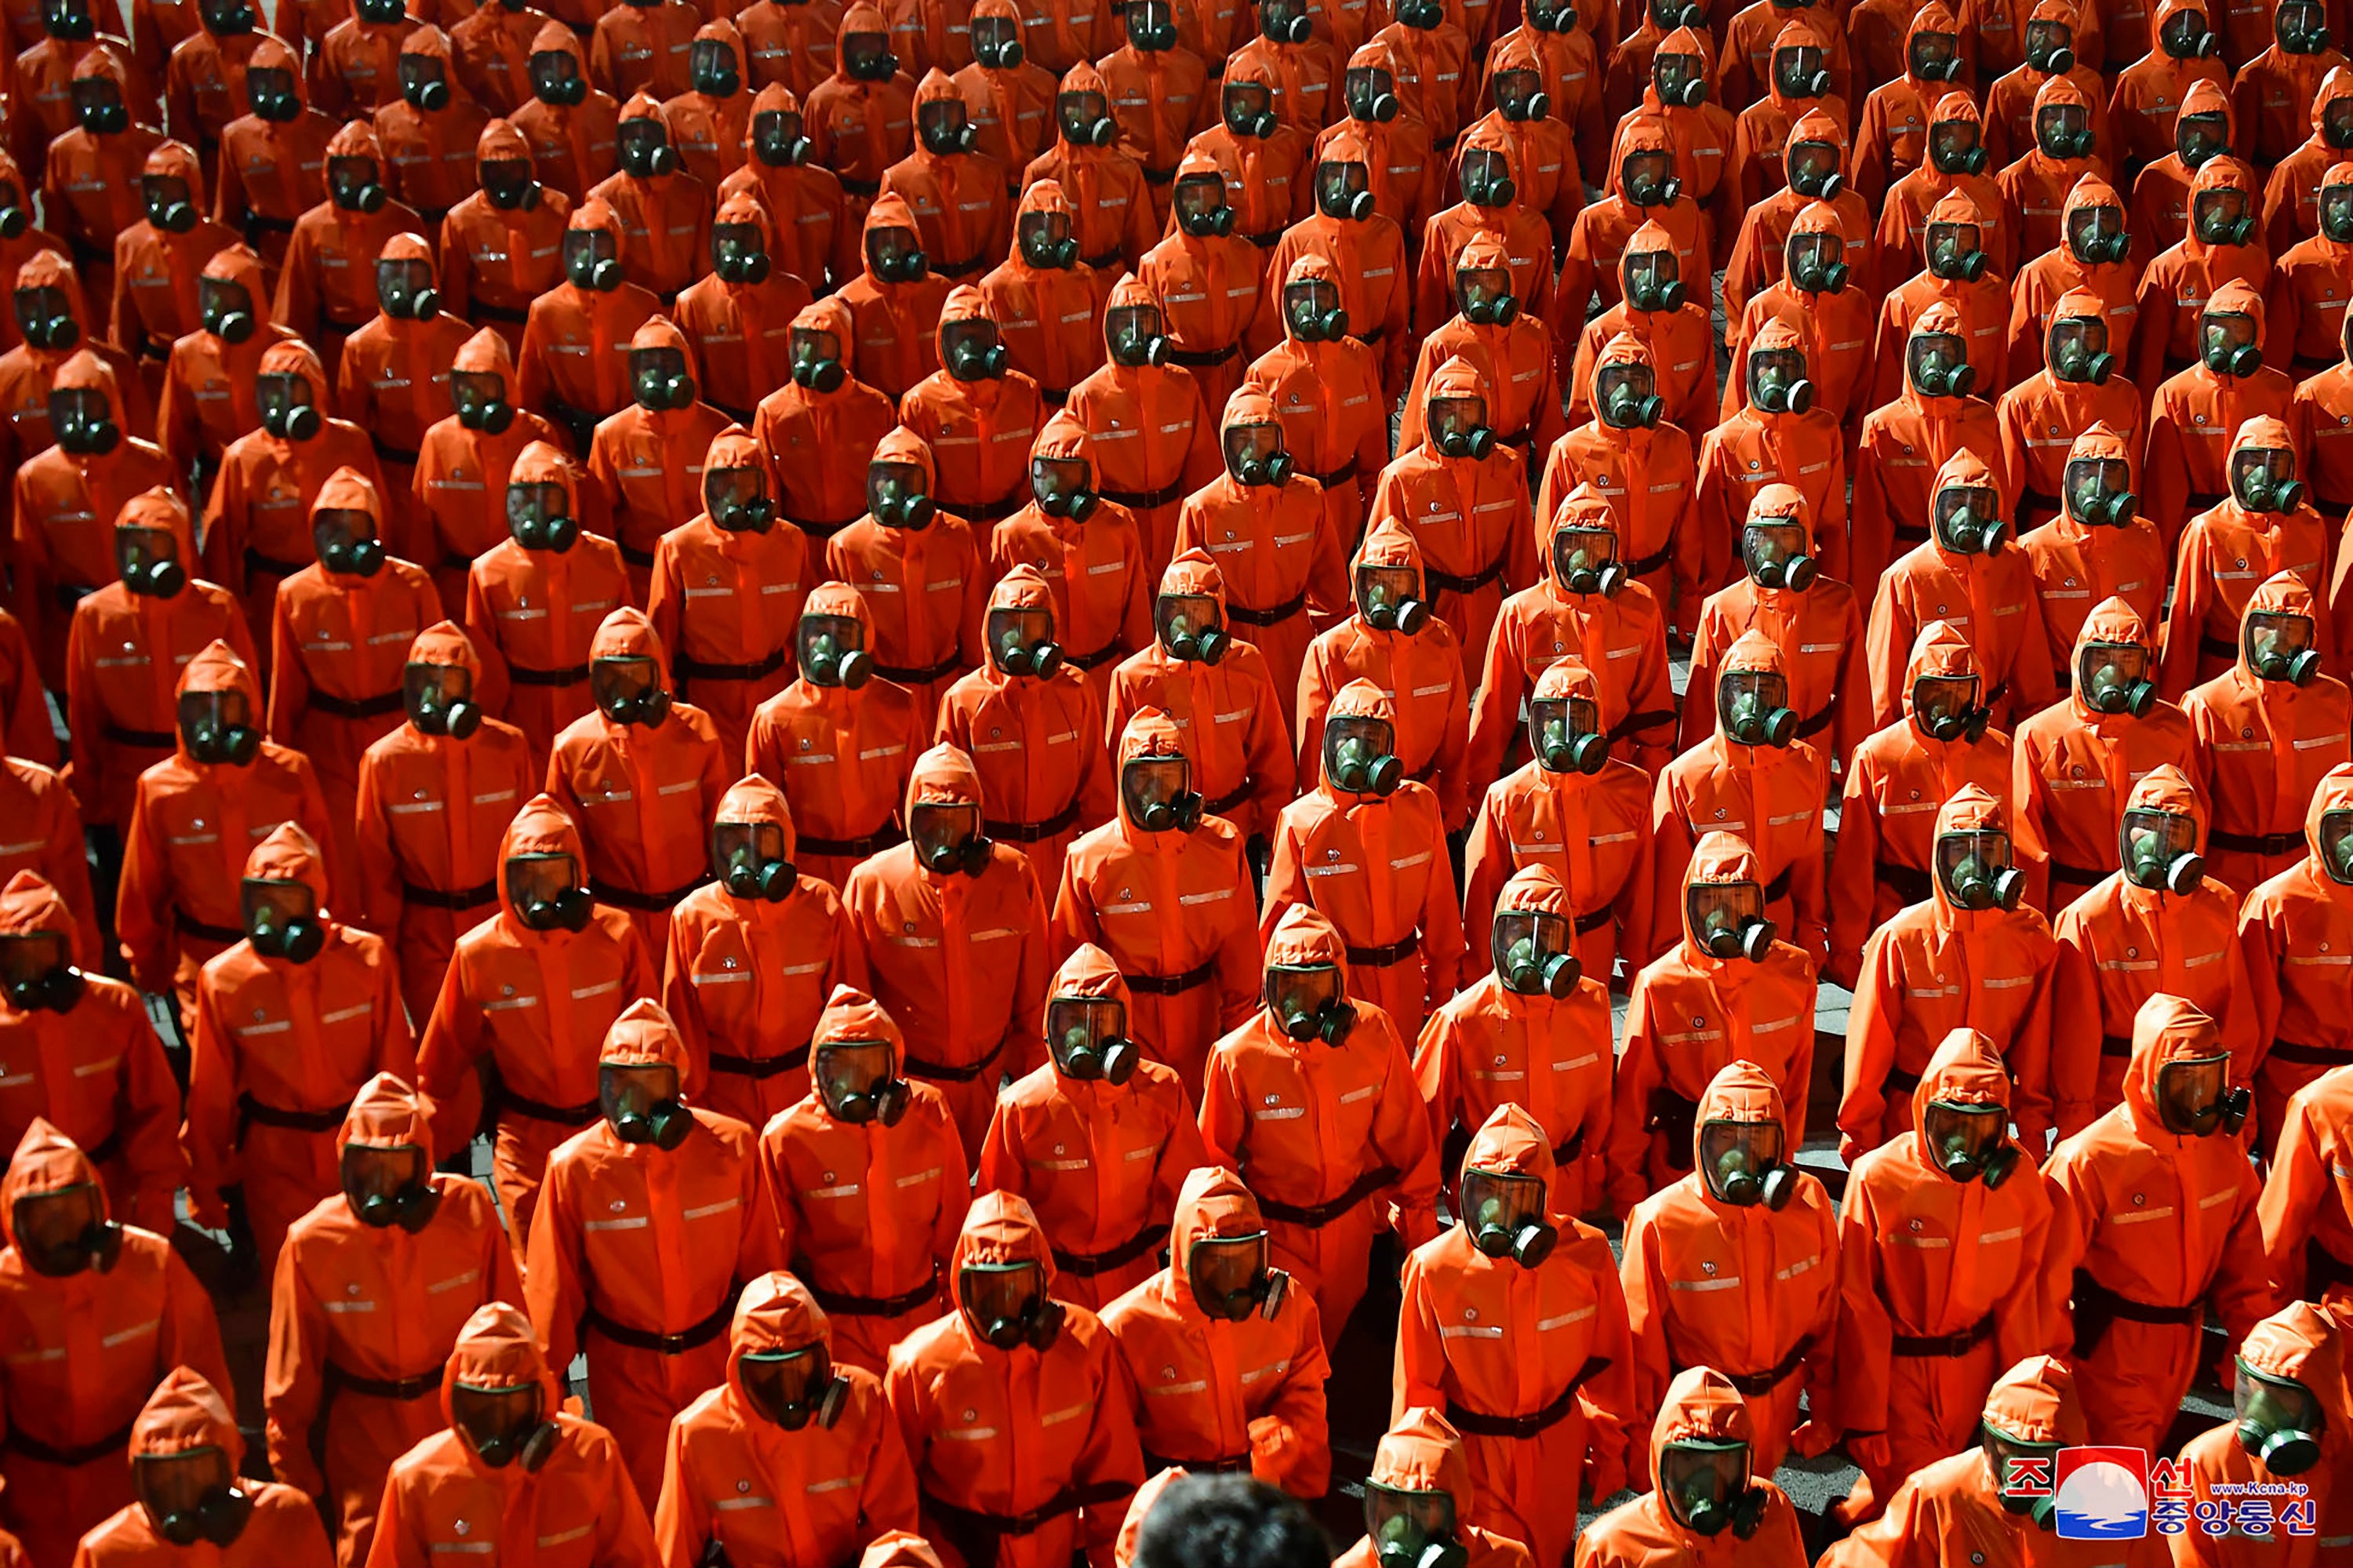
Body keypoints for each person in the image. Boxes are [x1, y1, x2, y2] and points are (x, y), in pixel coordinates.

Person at [525, 998, 783, 1506]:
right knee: (647, 1503)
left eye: (651, 1090)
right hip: (627, 1371)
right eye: (622, 1091)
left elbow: (764, 1271)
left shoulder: (730, 1147)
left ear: (679, 1089)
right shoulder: (574, 1167)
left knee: (729, 1495)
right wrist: (543, 1396)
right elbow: (552, 1291)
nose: (635, 1108)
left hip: (716, 1358)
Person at [265, 1073, 523, 1568]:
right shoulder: (311, 1243)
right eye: (369, 1170)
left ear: (426, 1166)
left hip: (460, 1422)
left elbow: (512, 1323)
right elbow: (291, 1372)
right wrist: (295, 1474)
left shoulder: (468, 1210)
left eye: (399, 1168)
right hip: (365, 1434)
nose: (383, 1188)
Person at [1833, 1028, 2066, 1522]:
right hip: (1903, 1374)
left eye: (1982, 1129)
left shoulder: (2019, 1181)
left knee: (1974, 1496)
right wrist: (1866, 1415)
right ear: (1924, 1113)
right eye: (1950, 1124)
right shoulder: (1877, 1177)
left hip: (1981, 1368)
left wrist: (2023, 1392)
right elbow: (1858, 1305)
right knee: (1918, 1505)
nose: (1964, 1145)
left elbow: (2029, 1297)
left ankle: (1846, 1522)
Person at [1394, 1104, 1635, 1568]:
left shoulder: (1586, 1255)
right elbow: (1417, 1394)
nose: (1499, 1213)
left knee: (1549, 1556)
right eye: (1486, 1194)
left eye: (1517, 1197)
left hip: (1556, 1450)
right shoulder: (1433, 1268)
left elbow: (1609, 1362)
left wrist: (1609, 1445)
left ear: (1545, 1197)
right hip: (1473, 1453)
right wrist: (1421, 1485)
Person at [415, 792, 658, 1242]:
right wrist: (440, 1147)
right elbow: (441, 1063)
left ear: (579, 876)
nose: (543, 897)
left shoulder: (616, 936)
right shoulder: (479, 953)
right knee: (536, 1272)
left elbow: (652, 1042)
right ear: (507, 880)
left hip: (608, 1136)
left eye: (555, 879)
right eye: (529, 881)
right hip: (525, 1144)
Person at [1199, 903, 1440, 1350]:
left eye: (1317, 991)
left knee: (1347, 1369)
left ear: (1342, 986)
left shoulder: (1373, 1034)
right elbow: (1214, 1169)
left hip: (1352, 1236)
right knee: (1286, 1365)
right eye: (1289, 990)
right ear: (1269, 986)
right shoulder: (1236, 1057)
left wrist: (1420, 1242)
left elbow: (1409, 1143)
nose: (1303, 1008)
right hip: (1277, 1240)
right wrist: (1239, 1256)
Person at [184, 820, 413, 1281]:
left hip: (360, 1149)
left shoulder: (366, 959)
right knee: (292, 1278)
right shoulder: (225, 979)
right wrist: (203, 1182)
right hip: (275, 1158)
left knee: (372, 1278)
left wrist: (404, 1154)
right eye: (264, 904)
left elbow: (396, 1071)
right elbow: (210, 1091)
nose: (276, 919)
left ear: (317, 899)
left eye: (291, 904)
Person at [2045, 992, 2268, 1460]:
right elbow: (2043, 1280)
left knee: (2140, 1466)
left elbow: (2244, 1262)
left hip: (2182, 1343)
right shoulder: (2090, 1158)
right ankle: (2105, 1533)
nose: (2199, 1100)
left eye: (2210, 1083)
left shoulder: (2222, 1152)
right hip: (2111, 1352)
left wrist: (2254, 1348)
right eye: (2185, 1084)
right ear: (2148, 1075)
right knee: (2115, 1473)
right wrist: (2050, 1371)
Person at [0, 1119, 230, 1568]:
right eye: (43, 1221)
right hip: (35, 1500)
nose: (62, 1233)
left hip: (138, 1487)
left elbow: (202, 1381)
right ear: (14, 1223)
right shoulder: (4, 1290)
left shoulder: (150, 1265)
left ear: (97, 1204)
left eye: (71, 1211)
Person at [885, 1191, 1143, 1566]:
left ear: (1044, 1283)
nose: (1004, 1312)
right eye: (988, 1294)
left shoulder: (1085, 1345)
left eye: (1020, 1291)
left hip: (1054, 1553)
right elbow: (895, 1500)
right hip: (959, 1555)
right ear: (961, 1288)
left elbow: (1114, 1481)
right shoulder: (919, 1366)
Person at [1620, 1060, 1840, 1477]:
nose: (1740, 1159)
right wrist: (1641, 1443)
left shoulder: (1808, 1204)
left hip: (1780, 1406)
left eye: (1757, 1143)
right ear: (1702, 1140)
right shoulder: (1659, 1221)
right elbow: (1639, 1349)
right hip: (1698, 1421)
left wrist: (1827, 1410)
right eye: (1726, 1140)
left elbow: (1827, 1323)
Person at [117, 637, 336, 1043]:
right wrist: (146, 962)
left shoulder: (291, 772)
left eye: (230, 709)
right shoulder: (161, 788)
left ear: (251, 710)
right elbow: (142, 882)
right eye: (201, 711)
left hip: (287, 955)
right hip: (201, 958)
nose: (215, 726)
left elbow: (326, 867)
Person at [841, 743, 1053, 1161]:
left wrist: (1030, 1090)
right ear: (909, 820)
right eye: (931, 824)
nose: (944, 840)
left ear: (979, 822)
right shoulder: (872, 885)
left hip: (993, 1087)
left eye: (958, 824)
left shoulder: (1013, 875)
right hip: (909, 1095)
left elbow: (1033, 1002)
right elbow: (855, 1007)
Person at [976, 944, 1212, 1309]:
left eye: (1102, 1024)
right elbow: (996, 1215)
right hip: (1054, 1288)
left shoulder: (1162, 1092)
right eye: (1071, 1024)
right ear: (1050, 1027)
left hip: (1138, 1281)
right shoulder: (1021, 1107)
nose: (1085, 1041)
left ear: (1125, 1027)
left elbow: (1191, 1196)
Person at [758, 983, 971, 1373]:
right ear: (817, 1069)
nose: (856, 1087)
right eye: (840, 1071)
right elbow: (773, 1265)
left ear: (895, 1066)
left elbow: (958, 1236)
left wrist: (954, 1327)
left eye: (871, 1069)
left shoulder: (929, 1114)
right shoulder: (786, 1137)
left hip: (922, 1324)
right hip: (836, 1334)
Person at [1841, 789, 2058, 1160]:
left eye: (1988, 852)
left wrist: (2034, 1137)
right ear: (1938, 857)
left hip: (1990, 1123)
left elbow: (2035, 1054)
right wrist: (1862, 1146)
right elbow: (1867, 1055)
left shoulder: (2031, 935)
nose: (1973, 865)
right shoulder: (1900, 938)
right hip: (1907, 1123)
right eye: (1959, 852)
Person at [653, 1270, 922, 1568]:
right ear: (739, 1372)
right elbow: (673, 1555)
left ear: (826, 1362)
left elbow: (895, 1531)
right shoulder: (696, 1433)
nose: (788, 1396)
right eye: (768, 1378)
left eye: (804, 1372)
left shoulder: (864, 1401)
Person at [1050, 712, 1259, 1093]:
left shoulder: (1223, 845)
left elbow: (1242, 955)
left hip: (1203, 1023)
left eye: (1168, 782)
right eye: (1143, 783)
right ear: (1123, 781)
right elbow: (1069, 968)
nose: (1156, 798)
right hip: (1128, 1031)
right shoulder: (1089, 860)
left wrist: (1243, 1042)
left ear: (1188, 781)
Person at [367, 1301, 663, 1568]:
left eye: (515, 1404)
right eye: (480, 1408)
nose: (498, 1424)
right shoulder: (416, 1480)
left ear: (542, 1399)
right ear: (453, 1402)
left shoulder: (592, 1454)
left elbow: (635, 1560)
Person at [2046, 766, 2256, 1140]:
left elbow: (2237, 1017)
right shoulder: (2088, 918)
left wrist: (2237, 1110)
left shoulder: (2220, 905)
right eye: (2147, 829)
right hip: (2117, 1103)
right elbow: (2074, 1045)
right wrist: (2078, 1130)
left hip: (2200, 1100)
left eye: (2174, 833)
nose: (2158, 846)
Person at [1610, 835, 1820, 1205]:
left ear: (1759, 903)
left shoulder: (1795, 971)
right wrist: (1628, 1189)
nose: (1724, 915)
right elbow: (1633, 1099)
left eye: (1739, 901)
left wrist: (1785, 1156)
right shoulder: (1660, 983)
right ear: (1689, 904)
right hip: (1680, 1167)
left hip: (1763, 1159)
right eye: (1709, 901)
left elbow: (1798, 1081)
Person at [63, 486, 257, 875]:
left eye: (157, 545)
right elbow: (83, 711)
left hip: (205, 770)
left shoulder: (217, 608)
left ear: (181, 547)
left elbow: (249, 700)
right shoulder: (95, 615)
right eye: (133, 546)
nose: (144, 557)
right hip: (125, 773)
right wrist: (89, 790)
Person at [1099, 1163, 1328, 1492]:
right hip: (1177, 1499)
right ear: (1184, 1255)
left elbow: (1306, 1391)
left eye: (1246, 1257)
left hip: (1264, 1488)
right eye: (1218, 1262)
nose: (1233, 1278)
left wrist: (1285, 1430)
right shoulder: (1125, 1328)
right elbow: (1114, 1447)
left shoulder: (1290, 1305)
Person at [1820, 1355, 2171, 1568]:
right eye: (2008, 1452)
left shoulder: (2123, 1498)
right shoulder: (1937, 1493)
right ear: (1986, 1441)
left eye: (2043, 1460)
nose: (2022, 1475)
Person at [1416, 866, 1621, 1219]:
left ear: (1568, 940)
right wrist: (1417, 1213)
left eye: (1548, 935)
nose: (1532, 948)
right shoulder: (1461, 1019)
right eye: (1519, 932)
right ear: (1499, 935)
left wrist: (1595, 1176)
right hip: (1488, 1198)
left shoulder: (1592, 1004)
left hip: (1566, 1188)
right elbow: (1425, 1125)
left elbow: (1601, 1106)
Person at [1263, 678, 1463, 1038]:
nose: (1356, 752)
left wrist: (1443, 986)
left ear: (1391, 745)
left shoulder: (1419, 807)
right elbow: (1280, 926)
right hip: (1334, 993)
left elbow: (1442, 908)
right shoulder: (1301, 821)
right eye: (1345, 739)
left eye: (1371, 740)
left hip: (1404, 980)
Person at [660, 773, 864, 1126]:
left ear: (786, 842)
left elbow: (849, 1008)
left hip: (805, 1093)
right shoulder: (692, 917)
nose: (747, 856)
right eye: (734, 843)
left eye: (762, 842)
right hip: (724, 1097)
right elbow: (682, 1026)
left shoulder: (822, 905)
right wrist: (696, 1110)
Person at [268, 467, 443, 868]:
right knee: (344, 857)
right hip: (328, 741)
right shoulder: (295, 594)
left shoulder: (413, 585)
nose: (343, 539)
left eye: (354, 526)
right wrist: (280, 759)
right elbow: (287, 682)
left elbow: (439, 671)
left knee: (409, 853)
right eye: (331, 528)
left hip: (400, 732)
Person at [1459, 657, 1655, 993]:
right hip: (1528, 949)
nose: (1564, 732)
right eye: (1551, 718)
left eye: (1577, 719)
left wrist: (1641, 963)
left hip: (1597, 944)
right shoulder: (1507, 798)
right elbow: (1480, 896)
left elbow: (1643, 887)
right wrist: (1479, 975)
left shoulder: (1633, 789)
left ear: (1598, 723)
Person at [0, 869, 180, 1229]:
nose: (33, 972)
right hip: (14, 1201)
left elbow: (154, 1106)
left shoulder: (114, 1006)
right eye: (19, 959)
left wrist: (155, 1194)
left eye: (44, 955)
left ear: (68, 949)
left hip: (108, 1189)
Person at [1467, 485, 1677, 784]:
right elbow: (1493, 717)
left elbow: (1654, 705)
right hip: (1547, 767)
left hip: (1620, 767)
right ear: (1555, 547)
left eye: (1598, 548)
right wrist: (1478, 789)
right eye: (1574, 546)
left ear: (1614, 552)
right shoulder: (1522, 613)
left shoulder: (1640, 605)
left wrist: (1652, 778)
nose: (1585, 559)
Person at [202, 340, 387, 669]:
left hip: (345, 590)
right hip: (270, 595)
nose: (281, 402)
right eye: (271, 392)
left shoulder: (351, 442)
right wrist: (232, 615)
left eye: (292, 390)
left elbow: (380, 520)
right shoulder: (243, 458)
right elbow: (222, 547)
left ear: (316, 390)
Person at [1168, 381, 1351, 711]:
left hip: (1292, 642)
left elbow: (1333, 591)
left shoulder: (1309, 499)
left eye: (1265, 442)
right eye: (1243, 444)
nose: (1254, 454)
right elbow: (1184, 597)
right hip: (1228, 647)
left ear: (1281, 443)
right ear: (1226, 447)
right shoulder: (1202, 509)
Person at [934, 562, 1115, 890]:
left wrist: (1102, 860)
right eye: (1009, 628)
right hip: (992, 861)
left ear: (1051, 631)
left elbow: (1096, 786)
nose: (1019, 641)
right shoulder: (962, 700)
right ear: (991, 630)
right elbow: (946, 797)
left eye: (1032, 629)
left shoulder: (1076, 689)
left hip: (1062, 854)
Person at [1102, 550, 1295, 853]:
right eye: (1177, 613)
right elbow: (1119, 777)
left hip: (1236, 833)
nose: (1187, 626)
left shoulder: (1247, 664)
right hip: (1164, 836)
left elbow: (1273, 759)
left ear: (1219, 615)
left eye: (1200, 614)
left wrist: (1273, 835)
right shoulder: (1132, 678)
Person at [741, 582, 929, 891]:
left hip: (880, 870)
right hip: (808, 874)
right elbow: (764, 815)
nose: (827, 645)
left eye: (842, 634)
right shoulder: (774, 717)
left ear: (864, 640)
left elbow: (917, 799)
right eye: (819, 633)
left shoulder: (899, 706)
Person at [460, 439, 633, 773]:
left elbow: (627, 642)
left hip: (591, 709)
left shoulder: (604, 558)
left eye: (549, 501)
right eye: (526, 501)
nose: (538, 513)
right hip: (524, 715)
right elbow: (484, 669)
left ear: (569, 500)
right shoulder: (488, 571)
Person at [12, 350, 177, 695]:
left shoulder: (152, 466)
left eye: (92, 404)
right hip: (71, 627)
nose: (81, 417)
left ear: (113, 405)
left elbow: (183, 553)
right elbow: (30, 574)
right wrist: (35, 654)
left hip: (150, 623)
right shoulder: (35, 478)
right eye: (68, 407)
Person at [1295, 517, 1473, 833]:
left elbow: (1456, 739)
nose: (1386, 597)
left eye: (1399, 584)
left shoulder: (1441, 642)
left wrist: (1452, 809)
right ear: (1359, 584)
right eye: (1375, 583)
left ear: (1417, 585)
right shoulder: (1329, 651)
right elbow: (1313, 759)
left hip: (1424, 803)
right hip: (1354, 812)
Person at [640, 428, 808, 765]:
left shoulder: (791, 542)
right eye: (724, 487)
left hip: (775, 695)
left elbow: (803, 633)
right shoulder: (679, 548)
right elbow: (662, 640)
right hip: (708, 701)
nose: (735, 500)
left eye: (746, 487)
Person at [1359, 358, 1534, 675]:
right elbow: (1375, 563)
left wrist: (1528, 615)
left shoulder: (1507, 468)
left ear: (1485, 415)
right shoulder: (1402, 478)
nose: (1457, 426)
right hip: (1429, 613)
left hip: (1489, 604)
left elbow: (1522, 551)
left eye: (1468, 414)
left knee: (1491, 700)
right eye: (1447, 414)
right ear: (1429, 416)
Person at [2185, 572, 2351, 902]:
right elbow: (2192, 805)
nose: (2279, 641)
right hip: (2228, 873)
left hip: (2309, 874)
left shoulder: (2336, 700)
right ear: (2247, 629)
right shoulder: (2207, 704)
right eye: (2268, 627)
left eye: (2293, 630)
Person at [1866, 449, 2057, 733]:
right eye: (1955, 505)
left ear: (1995, 511)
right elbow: (1883, 683)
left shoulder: (2013, 564)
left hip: (1995, 726)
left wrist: (2038, 736)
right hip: (1929, 729)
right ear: (1938, 509)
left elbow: (2033, 665)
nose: (1967, 516)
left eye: (1978, 505)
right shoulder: (1906, 576)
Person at [1681, 485, 1871, 763]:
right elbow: (1700, 709)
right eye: (1764, 539)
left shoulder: (1839, 604)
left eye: (1786, 540)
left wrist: (1856, 770)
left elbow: (1855, 699)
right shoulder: (1722, 609)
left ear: (1806, 542)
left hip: (1810, 759)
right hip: (1744, 758)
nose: (1773, 551)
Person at [74, 1366, 334, 1568]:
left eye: (198, 1474)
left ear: (233, 1460)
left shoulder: (285, 1515)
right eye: (165, 1479)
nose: (184, 1491)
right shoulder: (107, 1552)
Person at [986, 411, 1153, 707]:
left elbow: (1136, 615)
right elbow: (997, 629)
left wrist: (1139, 680)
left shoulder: (1119, 524)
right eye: (1048, 476)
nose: (1057, 490)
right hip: (1043, 683)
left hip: (1106, 675)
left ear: (1090, 475)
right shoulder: (1011, 535)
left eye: (1069, 477)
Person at [2162, 417, 2337, 697]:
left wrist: (2326, 688)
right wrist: (2173, 700)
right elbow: (2186, 624)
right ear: (2235, 466)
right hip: (2221, 674)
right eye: (2253, 463)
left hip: (2291, 678)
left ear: (2292, 468)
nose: (2264, 475)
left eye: (2276, 464)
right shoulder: (2207, 530)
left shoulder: (2312, 525)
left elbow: (2320, 615)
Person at [1852, 303, 2013, 602]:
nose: (1936, 361)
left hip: (1972, 556)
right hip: (1906, 560)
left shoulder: (1984, 418)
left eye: (1948, 351)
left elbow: (2001, 500)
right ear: (1912, 357)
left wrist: (2004, 570)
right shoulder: (1882, 425)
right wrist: (1868, 596)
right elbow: (1868, 526)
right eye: (1927, 351)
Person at [1573, 1366, 1809, 1568]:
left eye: (1724, 1465)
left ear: (1746, 1466)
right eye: (1688, 1464)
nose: (1706, 1483)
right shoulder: (1610, 1549)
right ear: (1660, 1465)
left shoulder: (1773, 1512)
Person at [1062, 275, 1220, 580]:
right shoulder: (1086, 396)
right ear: (1109, 330)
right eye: (1124, 325)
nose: (1135, 335)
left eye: (1144, 323)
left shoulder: (1183, 385)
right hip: (1115, 524)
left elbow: (1203, 468)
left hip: (1173, 520)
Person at [1237, 255, 1391, 551]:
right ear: (1286, 304)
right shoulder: (1265, 371)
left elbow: (1374, 451)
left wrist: (1375, 518)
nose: (1311, 307)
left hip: (1345, 500)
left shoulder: (1359, 359)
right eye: (1300, 298)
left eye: (1321, 297)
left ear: (1337, 300)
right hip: (1290, 499)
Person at [409, 328, 562, 615]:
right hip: (456, 584)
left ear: (505, 384)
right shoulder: (438, 439)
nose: (472, 395)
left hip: (522, 578)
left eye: (483, 385)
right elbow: (422, 523)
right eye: (465, 385)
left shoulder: (537, 433)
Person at [2244, 765, 2353, 1167]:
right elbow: (2250, 1015)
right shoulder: (2276, 903)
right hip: (2290, 1083)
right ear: (2317, 831)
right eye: (2341, 828)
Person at [1693, 320, 1851, 598]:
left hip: (1806, 577)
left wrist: (1835, 589)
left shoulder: (1825, 430)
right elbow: (1710, 534)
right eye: (1767, 364)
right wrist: (1712, 597)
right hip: (1742, 580)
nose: (1777, 373)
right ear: (1751, 371)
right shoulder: (1724, 441)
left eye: (1789, 365)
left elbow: (1835, 523)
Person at [334, 235, 468, 554]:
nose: (405, 286)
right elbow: (353, 429)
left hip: (451, 478)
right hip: (395, 479)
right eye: (395, 276)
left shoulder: (460, 337)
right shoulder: (361, 347)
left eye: (416, 276)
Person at [583, 317, 734, 598]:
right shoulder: (611, 434)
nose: (658, 374)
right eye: (647, 366)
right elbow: (599, 518)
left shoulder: (719, 429)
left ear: (687, 367)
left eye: (667, 364)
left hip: (704, 571)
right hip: (640, 572)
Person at [2144, 282, 2297, 550]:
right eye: (2218, 330)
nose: (2225, 342)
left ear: (2257, 335)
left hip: (2258, 529)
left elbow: (2292, 469)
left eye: (2238, 332)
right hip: (2194, 531)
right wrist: (2163, 549)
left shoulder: (2279, 389)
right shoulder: (2175, 393)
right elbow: (2163, 487)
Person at [274, 123, 426, 378]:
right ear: (328, 174)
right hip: (336, 345)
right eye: (344, 173)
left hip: (394, 344)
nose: (351, 183)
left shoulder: (405, 222)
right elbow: (295, 306)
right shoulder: (311, 227)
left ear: (378, 172)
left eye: (359, 173)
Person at [516, 198, 664, 453]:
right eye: (582, 245)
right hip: (569, 435)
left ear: (618, 248)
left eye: (602, 246)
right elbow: (530, 391)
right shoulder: (545, 310)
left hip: (629, 433)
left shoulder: (644, 306)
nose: (590, 255)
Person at [755, 300, 904, 546]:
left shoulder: (876, 406)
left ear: (843, 346)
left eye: (822, 345)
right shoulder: (773, 412)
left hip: (860, 541)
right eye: (804, 344)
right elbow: (768, 490)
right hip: (802, 540)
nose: (811, 355)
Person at [899, 286, 1046, 530]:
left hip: (1010, 523)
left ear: (995, 339)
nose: (969, 348)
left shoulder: (1025, 392)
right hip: (949, 530)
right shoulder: (920, 402)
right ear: (942, 343)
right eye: (959, 339)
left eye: (978, 337)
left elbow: (1039, 462)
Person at [1136, 150, 1263, 421]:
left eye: (1210, 197)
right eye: (1193, 199)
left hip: (1235, 380)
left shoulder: (1249, 256)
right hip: (1182, 382)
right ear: (1178, 203)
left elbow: (1263, 335)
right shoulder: (1156, 263)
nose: (1203, 208)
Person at [111, 140, 235, 407]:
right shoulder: (131, 243)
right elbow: (123, 320)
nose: (163, 201)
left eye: (172, 191)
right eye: (155, 192)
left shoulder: (225, 242)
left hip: (214, 367)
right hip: (157, 367)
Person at [1329, 1409, 1534, 1568]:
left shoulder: (1507, 1562)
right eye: (1391, 1501)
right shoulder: (1351, 1565)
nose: (1404, 1521)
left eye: (1423, 1506)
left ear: (1457, 1510)